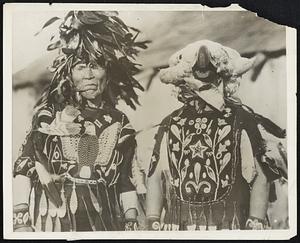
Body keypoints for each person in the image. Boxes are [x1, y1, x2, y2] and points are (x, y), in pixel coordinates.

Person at [13, 11, 148, 232]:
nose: (88, 75)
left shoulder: (119, 121)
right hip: (54, 221)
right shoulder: (49, 115)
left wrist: (131, 223)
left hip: (106, 222)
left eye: (95, 66)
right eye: (80, 67)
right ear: (68, 74)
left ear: (108, 72)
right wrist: (21, 223)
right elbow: (24, 167)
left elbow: (125, 180)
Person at [145, 40, 287, 230]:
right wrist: (152, 218)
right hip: (178, 225)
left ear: (224, 79)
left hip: (231, 224)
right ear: (184, 81)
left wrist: (256, 219)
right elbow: (155, 175)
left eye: (211, 80)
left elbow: (261, 174)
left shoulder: (242, 119)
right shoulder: (170, 122)